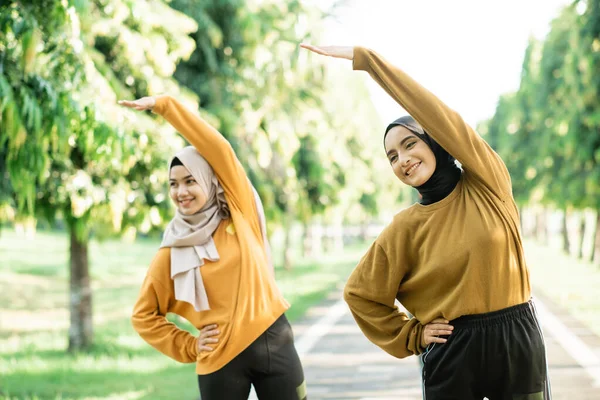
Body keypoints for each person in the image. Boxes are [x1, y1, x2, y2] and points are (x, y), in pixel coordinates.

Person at [300, 44, 551, 399]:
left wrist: (369, 61)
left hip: (516, 341)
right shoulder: (405, 227)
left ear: (434, 140)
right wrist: (412, 335)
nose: (402, 159)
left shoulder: (489, 184)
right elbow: (360, 294)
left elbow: (435, 113)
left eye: (409, 143)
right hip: (453, 351)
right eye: (392, 156)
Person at [120, 95, 306, 400]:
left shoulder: (240, 211)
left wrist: (165, 106)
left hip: (276, 343)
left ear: (208, 181)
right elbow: (143, 316)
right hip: (219, 361)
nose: (181, 191)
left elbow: (219, 150)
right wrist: (190, 345)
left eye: (190, 180)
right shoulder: (171, 251)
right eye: (173, 184)